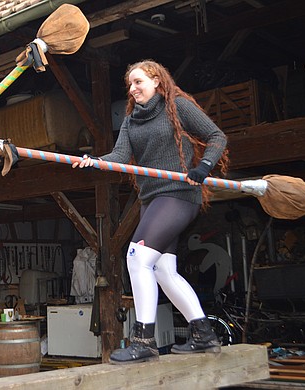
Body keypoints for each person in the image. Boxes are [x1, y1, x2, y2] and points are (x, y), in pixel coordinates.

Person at [72, 59, 228, 364]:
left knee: (137, 258)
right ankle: (204, 335)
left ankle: (143, 341)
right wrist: (95, 161)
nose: (132, 89)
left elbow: (216, 137)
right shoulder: (131, 120)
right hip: (151, 198)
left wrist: (203, 167)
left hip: (179, 194)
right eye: (130, 85)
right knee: (162, 270)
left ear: (157, 81)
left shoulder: (178, 107)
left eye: (138, 82)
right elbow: (120, 156)